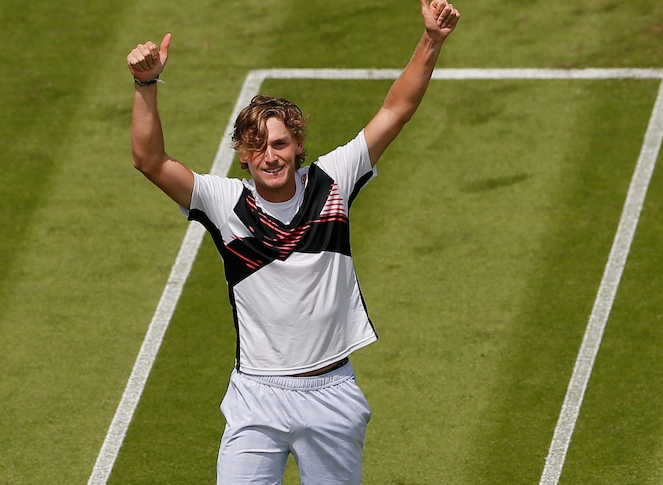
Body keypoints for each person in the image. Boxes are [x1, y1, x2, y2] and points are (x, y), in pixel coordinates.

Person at [126, 1, 459, 482]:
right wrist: (145, 85)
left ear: (298, 145)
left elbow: (396, 109)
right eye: (257, 146)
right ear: (242, 155)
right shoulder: (224, 202)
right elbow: (149, 161)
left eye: (279, 143)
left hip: (331, 394)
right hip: (256, 398)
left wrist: (431, 40)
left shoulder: (335, 180)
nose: (270, 156)